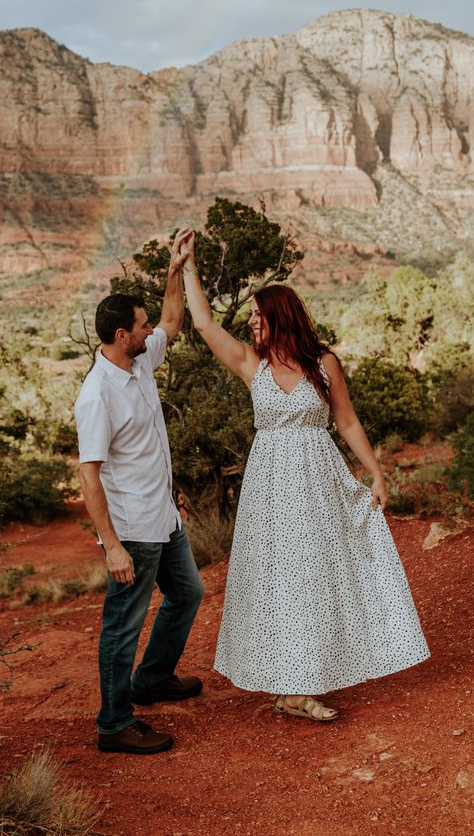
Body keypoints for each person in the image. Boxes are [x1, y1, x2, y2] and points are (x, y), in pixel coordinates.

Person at [179, 234, 429, 722]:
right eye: (251, 317)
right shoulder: (252, 364)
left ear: (281, 316)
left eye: (258, 315)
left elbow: (347, 421)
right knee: (280, 578)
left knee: (314, 575)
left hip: (318, 481)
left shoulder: (323, 363)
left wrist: (376, 473)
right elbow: (204, 323)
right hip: (270, 487)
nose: (251, 322)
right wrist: (189, 266)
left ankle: (304, 681)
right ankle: (293, 685)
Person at [75, 234, 205, 755]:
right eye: (142, 326)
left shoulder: (141, 359)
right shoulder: (97, 395)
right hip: (132, 530)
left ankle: (151, 680)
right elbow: (89, 476)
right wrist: (111, 546)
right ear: (121, 334)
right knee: (122, 627)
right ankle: (114, 724)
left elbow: (172, 320)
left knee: (188, 593)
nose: (153, 331)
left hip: (164, 519)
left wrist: (175, 269)